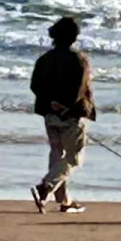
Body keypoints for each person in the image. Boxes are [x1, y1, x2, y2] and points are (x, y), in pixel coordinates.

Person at [29, 15, 95, 213]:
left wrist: (51, 102)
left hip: (49, 114)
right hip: (71, 115)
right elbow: (79, 89)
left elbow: (35, 85)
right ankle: (47, 186)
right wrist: (66, 106)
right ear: (74, 38)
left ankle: (63, 201)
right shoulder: (79, 59)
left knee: (57, 155)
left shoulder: (45, 59)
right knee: (74, 158)